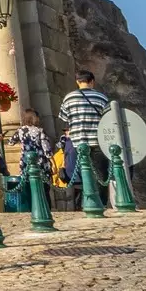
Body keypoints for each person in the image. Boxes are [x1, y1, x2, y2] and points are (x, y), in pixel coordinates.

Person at [57, 69, 113, 198]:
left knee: (81, 174)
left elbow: (64, 119)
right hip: (97, 141)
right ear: (92, 81)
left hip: (77, 142)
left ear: (77, 81)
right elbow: (108, 120)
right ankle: (101, 202)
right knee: (100, 174)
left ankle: (86, 201)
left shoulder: (69, 98)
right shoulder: (102, 98)